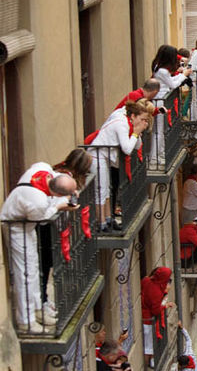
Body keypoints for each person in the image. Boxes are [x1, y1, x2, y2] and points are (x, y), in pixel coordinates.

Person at [1, 171, 78, 333]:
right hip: (17, 231)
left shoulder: (43, 175)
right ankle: (26, 322)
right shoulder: (38, 201)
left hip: (26, 229)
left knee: (34, 271)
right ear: (57, 193)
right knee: (26, 275)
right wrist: (58, 206)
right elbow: (42, 218)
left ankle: (37, 310)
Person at [88, 99, 151, 231]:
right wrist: (135, 132)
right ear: (133, 116)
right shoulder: (121, 124)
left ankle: (108, 219)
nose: (144, 123)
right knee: (101, 189)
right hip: (97, 156)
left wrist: (136, 132)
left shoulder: (128, 123)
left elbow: (137, 145)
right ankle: (101, 223)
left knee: (106, 189)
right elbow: (127, 148)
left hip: (104, 157)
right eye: (143, 119)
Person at [141, 267, 175, 367]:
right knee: (148, 347)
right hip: (148, 322)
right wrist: (165, 304)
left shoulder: (146, 280)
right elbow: (155, 310)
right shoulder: (157, 292)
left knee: (148, 346)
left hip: (145, 317)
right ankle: (146, 366)